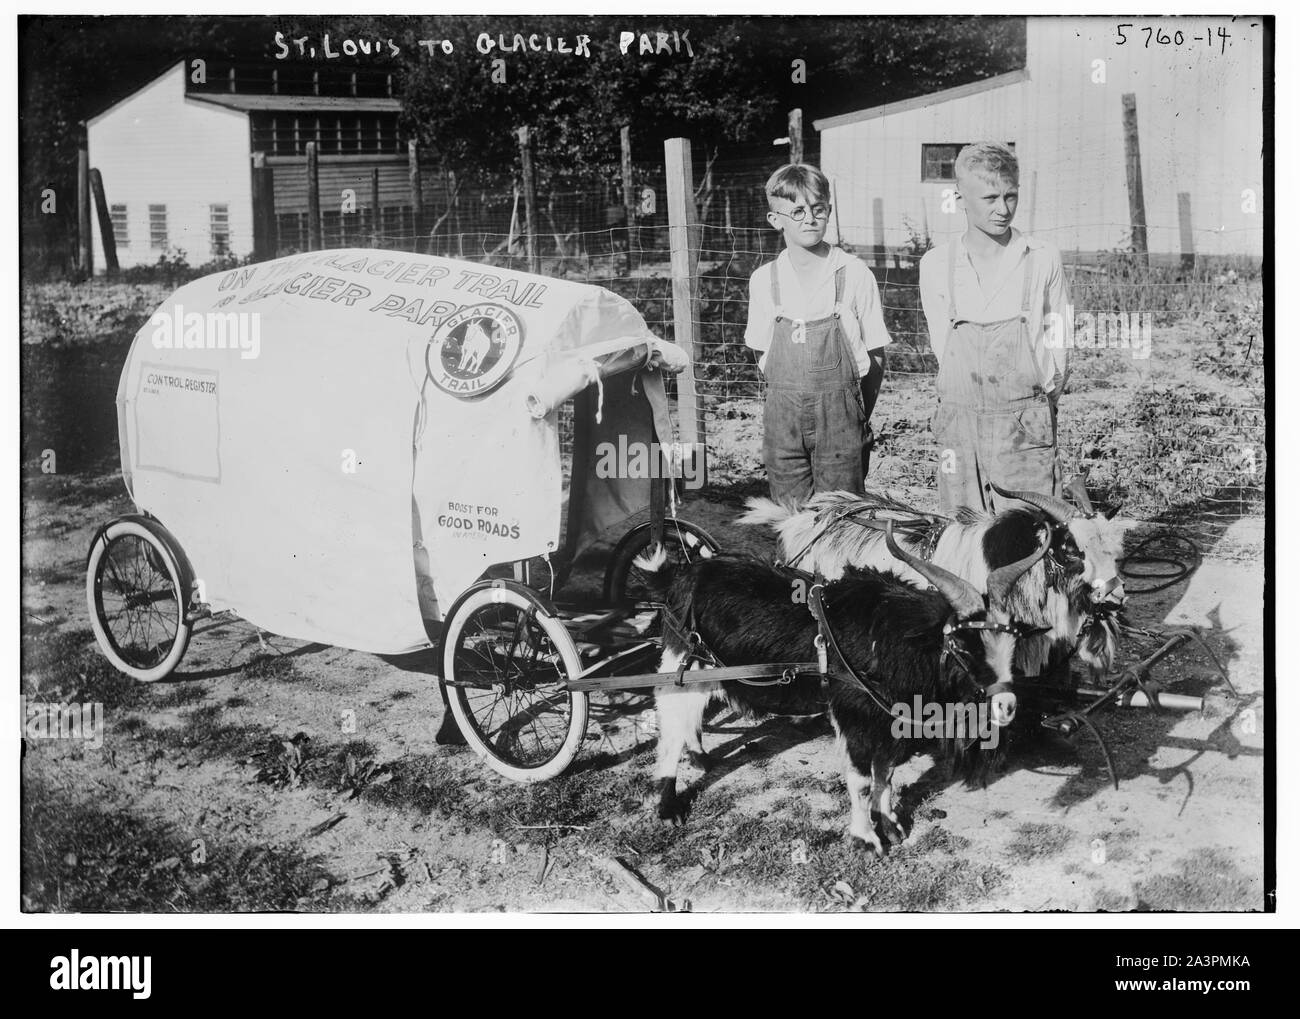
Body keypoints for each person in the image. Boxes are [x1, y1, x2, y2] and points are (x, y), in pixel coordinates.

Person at [918, 142, 1071, 515]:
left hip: (1024, 421)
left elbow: (1059, 337)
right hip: (959, 422)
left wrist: (1039, 402)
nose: (1002, 209)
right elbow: (943, 344)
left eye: (1011, 196)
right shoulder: (937, 264)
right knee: (961, 529)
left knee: (1030, 529)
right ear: (959, 198)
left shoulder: (1041, 257)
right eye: (989, 197)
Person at [745, 163, 890, 504]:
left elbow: (876, 354)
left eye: (818, 209)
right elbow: (760, 353)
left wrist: (855, 414)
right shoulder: (765, 280)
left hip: (840, 421)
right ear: (775, 219)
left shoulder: (853, 273)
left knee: (842, 518)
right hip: (783, 423)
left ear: (829, 211)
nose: (809, 218)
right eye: (797, 210)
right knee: (790, 519)